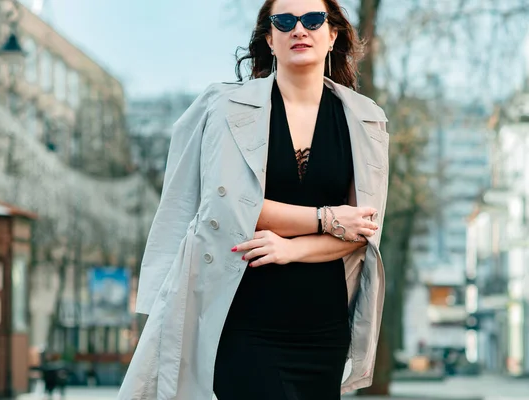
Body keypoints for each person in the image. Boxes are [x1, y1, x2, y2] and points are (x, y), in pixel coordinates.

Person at [118, 0, 389, 398]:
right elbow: (229, 207)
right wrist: (327, 219)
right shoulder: (226, 107)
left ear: (332, 35)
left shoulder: (366, 120)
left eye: (313, 19)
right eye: (285, 21)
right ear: (269, 38)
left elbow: (361, 229)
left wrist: (289, 250)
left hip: (323, 328)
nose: (299, 29)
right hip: (243, 316)